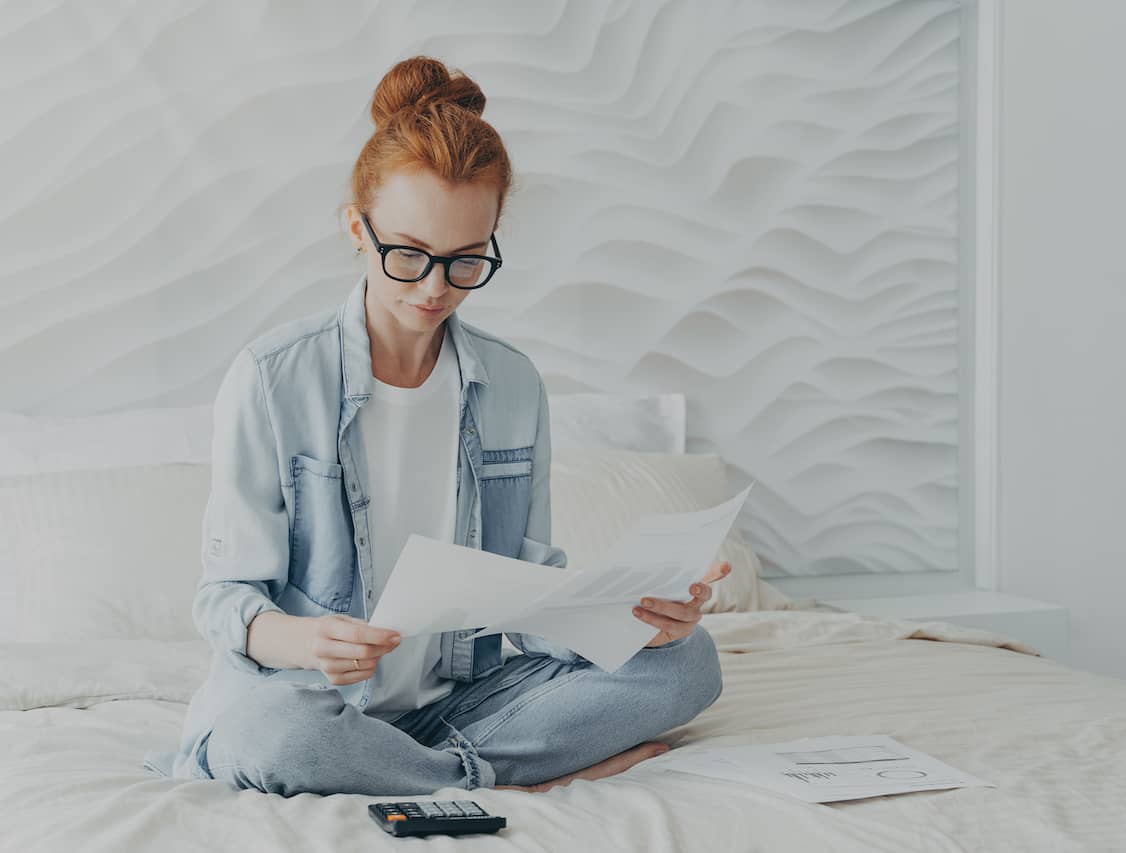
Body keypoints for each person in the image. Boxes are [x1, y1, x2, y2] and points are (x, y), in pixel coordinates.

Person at [140, 56, 730, 797]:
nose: (433, 287)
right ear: (357, 227)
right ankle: (508, 776)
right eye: (409, 255)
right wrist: (306, 640)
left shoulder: (511, 384)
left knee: (688, 662)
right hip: (314, 704)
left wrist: (631, 617)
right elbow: (225, 601)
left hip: (465, 703)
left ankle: (433, 774)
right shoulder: (271, 379)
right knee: (271, 735)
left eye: (465, 261)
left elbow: (529, 596)